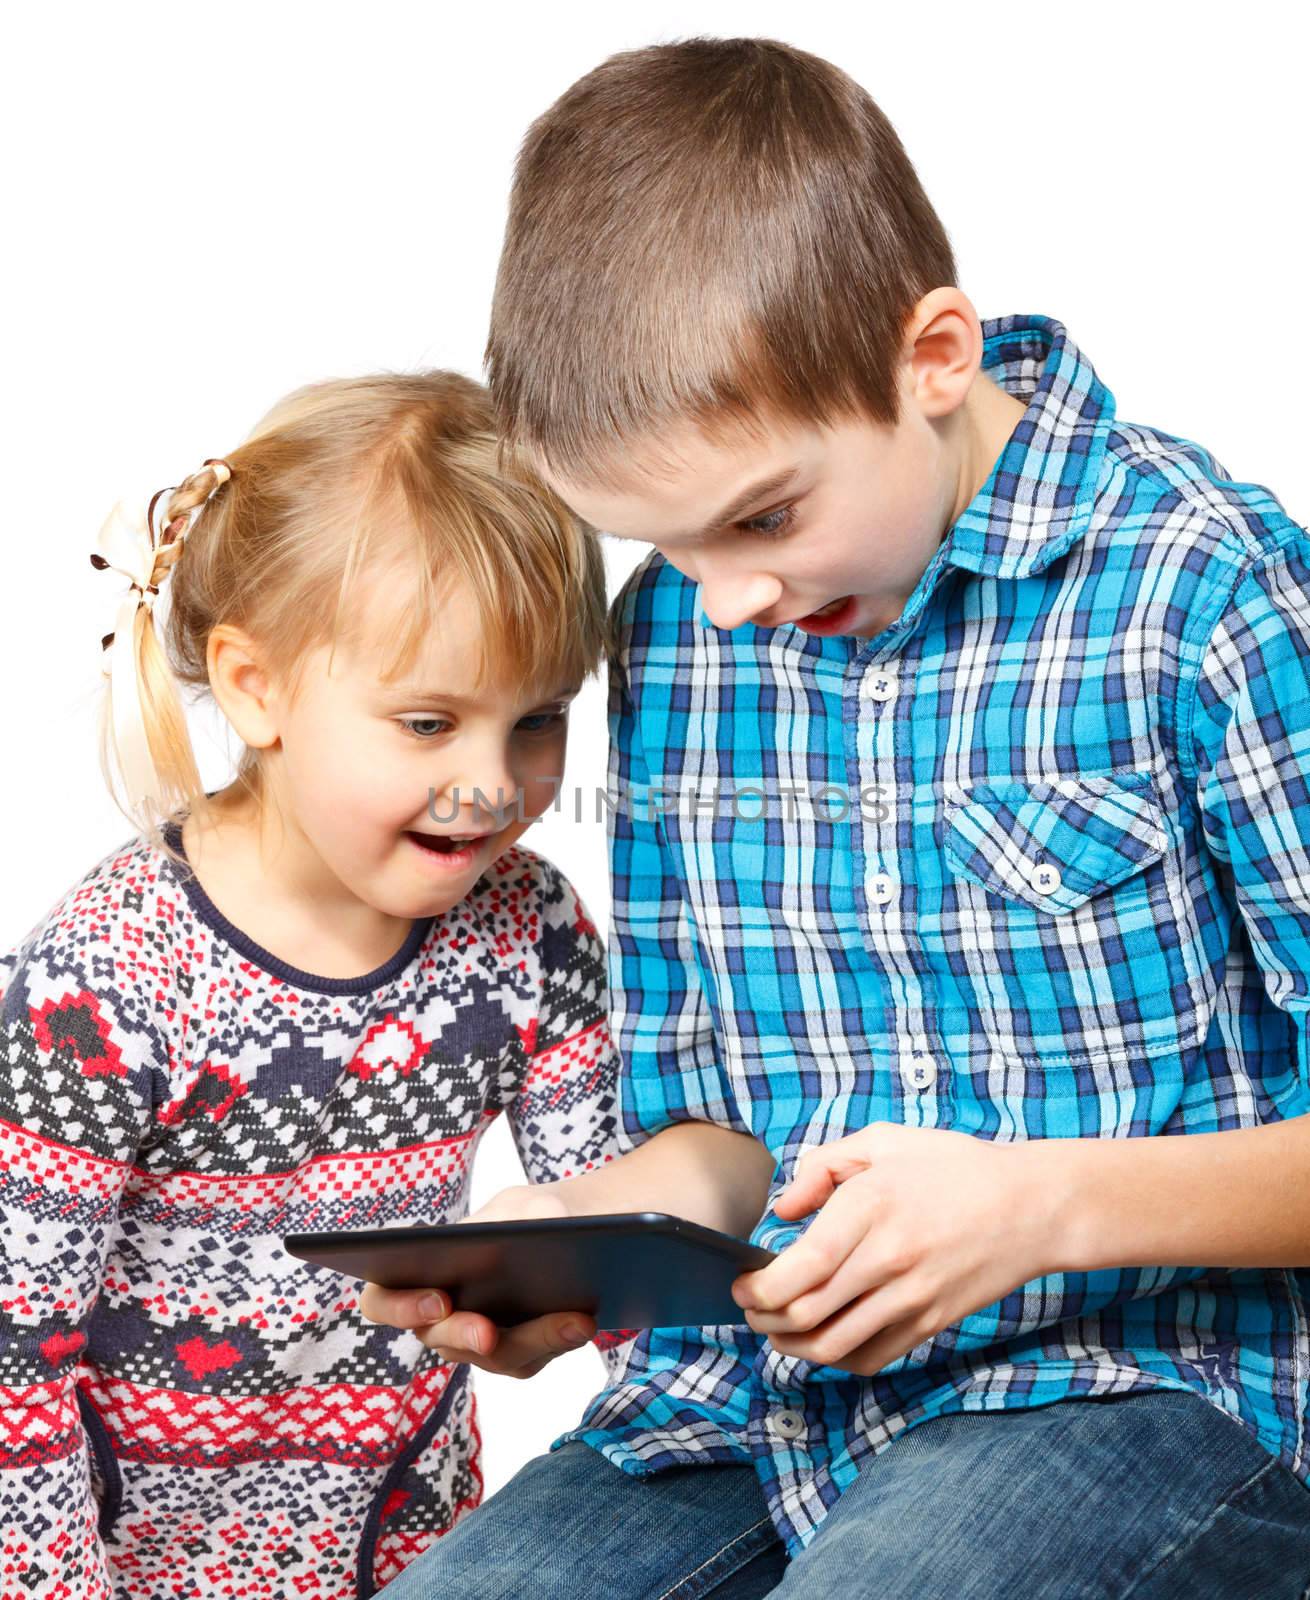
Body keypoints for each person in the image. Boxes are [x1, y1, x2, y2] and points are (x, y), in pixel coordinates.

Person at [363, 37, 1310, 1600]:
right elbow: (727, 1129)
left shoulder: (1202, 595)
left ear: (930, 356)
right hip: (757, 1404)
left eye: (762, 517)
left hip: (1158, 1389)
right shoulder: (685, 629)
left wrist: (1031, 1211)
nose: (725, 599)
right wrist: (599, 1247)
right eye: (662, 544)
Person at [0, 371, 630, 1598]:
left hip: (411, 1550)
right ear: (257, 685)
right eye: (428, 722)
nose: (493, 786)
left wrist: (598, 1316)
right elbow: (14, 1347)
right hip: (130, 1569)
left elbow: (607, 1204)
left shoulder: (528, 929)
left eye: (538, 719)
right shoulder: (110, 981)